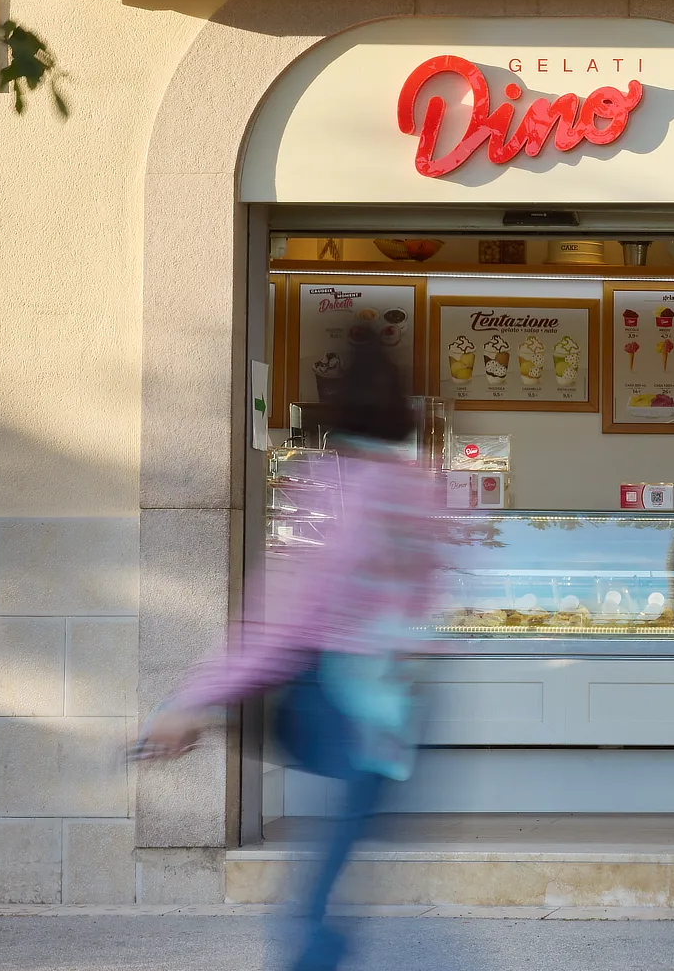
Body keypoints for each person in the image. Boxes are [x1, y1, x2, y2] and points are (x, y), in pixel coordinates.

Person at [139, 338, 446, 971]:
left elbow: (281, 615)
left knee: (319, 893)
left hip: (342, 699)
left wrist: (194, 698)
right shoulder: (419, 487)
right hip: (403, 703)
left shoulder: (333, 487)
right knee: (339, 861)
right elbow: (429, 593)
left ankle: (314, 950)